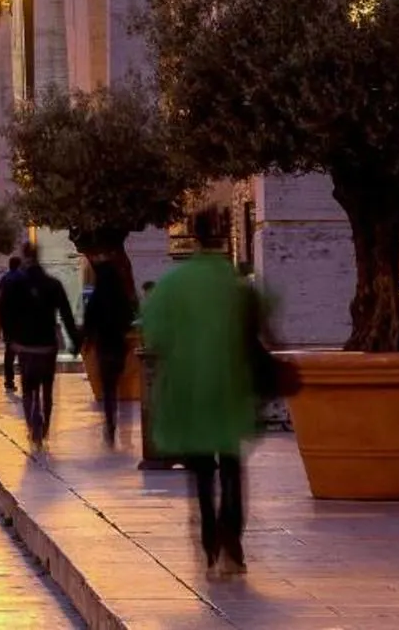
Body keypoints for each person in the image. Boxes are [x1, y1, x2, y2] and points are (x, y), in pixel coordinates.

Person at [141, 209, 262, 576]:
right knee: (230, 465)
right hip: (228, 389)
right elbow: (258, 325)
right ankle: (232, 541)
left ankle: (209, 540)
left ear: (192, 236)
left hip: (189, 393)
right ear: (224, 236)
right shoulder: (236, 284)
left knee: (202, 474)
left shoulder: (172, 285)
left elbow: (155, 336)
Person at [0, 253, 79, 446]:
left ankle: (31, 426)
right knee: (47, 388)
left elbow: (4, 310)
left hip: (25, 345)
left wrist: (10, 336)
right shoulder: (52, 284)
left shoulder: (16, 286)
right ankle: (45, 427)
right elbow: (66, 314)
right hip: (47, 345)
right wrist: (75, 342)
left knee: (27, 388)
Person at [82, 248, 139, 448]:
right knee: (123, 385)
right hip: (119, 347)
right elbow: (130, 319)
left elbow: (88, 322)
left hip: (103, 347)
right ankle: (125, 429)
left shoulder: (96, 298)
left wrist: (86, 341)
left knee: (108, 389)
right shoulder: (121, 298)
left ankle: (111, 423)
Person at [0, 252, 28, 394]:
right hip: (21, 322)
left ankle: (9, 381)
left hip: (7, 322)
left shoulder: (4, 280)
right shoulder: (23, 279)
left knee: (9, 353)